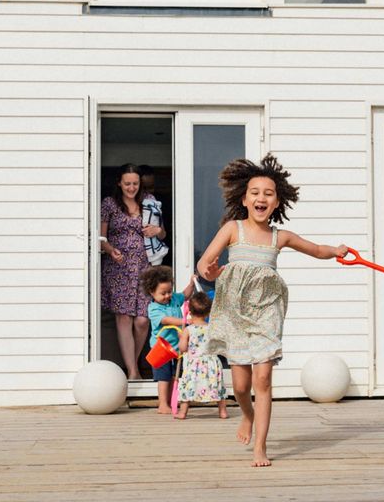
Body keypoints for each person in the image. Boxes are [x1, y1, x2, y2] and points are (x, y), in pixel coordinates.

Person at [198, 154, 347, 467]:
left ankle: (260, 448)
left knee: (262, 378)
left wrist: (336, 251)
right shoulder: (232, 229)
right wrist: (210, 272)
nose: (261, 198)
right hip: (234, 311)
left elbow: (316, 250)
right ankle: (247, 416)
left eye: (268, 193)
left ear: (277, 202)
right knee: (240, 386)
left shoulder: (280, 237)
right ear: (245, 198)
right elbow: (205, 264)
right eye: (255, 192)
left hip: (267, 308)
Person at [100, 163, 164, 379]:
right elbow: (101, 239)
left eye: (135, 183)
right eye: (127, 183)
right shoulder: (109, 204)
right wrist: (110, 250)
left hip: (145, 268)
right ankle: (133, 371)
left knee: (142, 320)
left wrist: (158, 230)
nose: (131, 187)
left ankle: (132, 364)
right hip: (118, 268)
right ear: (119, 183)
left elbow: (162, 234)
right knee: (124, 318)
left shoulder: (149, 202)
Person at [142, 265, 195, 414]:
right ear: (152, 292)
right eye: (163, 293)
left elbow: (185, 294)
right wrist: (184, 322)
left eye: (169, 291)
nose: (167, 296)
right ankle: (163, 404)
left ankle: (172, 400)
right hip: (161, 347)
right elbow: (166, 320)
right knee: (163, 376)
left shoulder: (173, 299)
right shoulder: (153, 308)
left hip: (177, 346)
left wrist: (191, 284)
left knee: (174, 374)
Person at [174, 289, 228, 420]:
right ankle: (222, 411)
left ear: (190, 313)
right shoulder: (212, 328)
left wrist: (181, 337)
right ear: (208, 312)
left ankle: (183, 413)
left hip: (195, 363)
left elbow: (183, 348)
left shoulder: (188, 329)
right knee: (217, 386)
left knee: (188, 386)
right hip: (212, 362)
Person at [138, 165, 169, 265]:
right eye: (144, 188)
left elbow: (162, 234)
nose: (147, 191)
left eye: (151, 187)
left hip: (148, 261)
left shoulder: (152, 201)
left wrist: (158, 230)